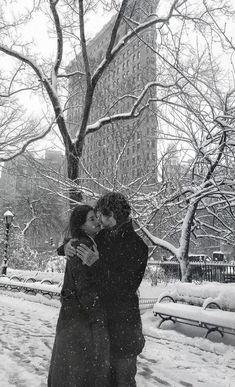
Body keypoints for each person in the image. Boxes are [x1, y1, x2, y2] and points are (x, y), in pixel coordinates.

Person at [63, 192, 148, 386]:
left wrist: (96, 264)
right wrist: (66, 246)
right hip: (101, 329)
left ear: (111, 215)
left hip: (124, 330)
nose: (98, 219)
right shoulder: (102, 237)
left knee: (123, 381)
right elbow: (81, 238)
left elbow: (125, 287)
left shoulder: (137, 246)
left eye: (100, 214)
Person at [48, 205, 110, 387]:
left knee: (68, 367)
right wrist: (97, 317)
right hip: (80, 318)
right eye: (91, 219)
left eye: (95, 217)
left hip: (73, 316)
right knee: (78, 370)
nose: (97, 222)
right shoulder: (84, 244)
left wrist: (64, 247)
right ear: (81, 225)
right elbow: (85, 287)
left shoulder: (84, 240)